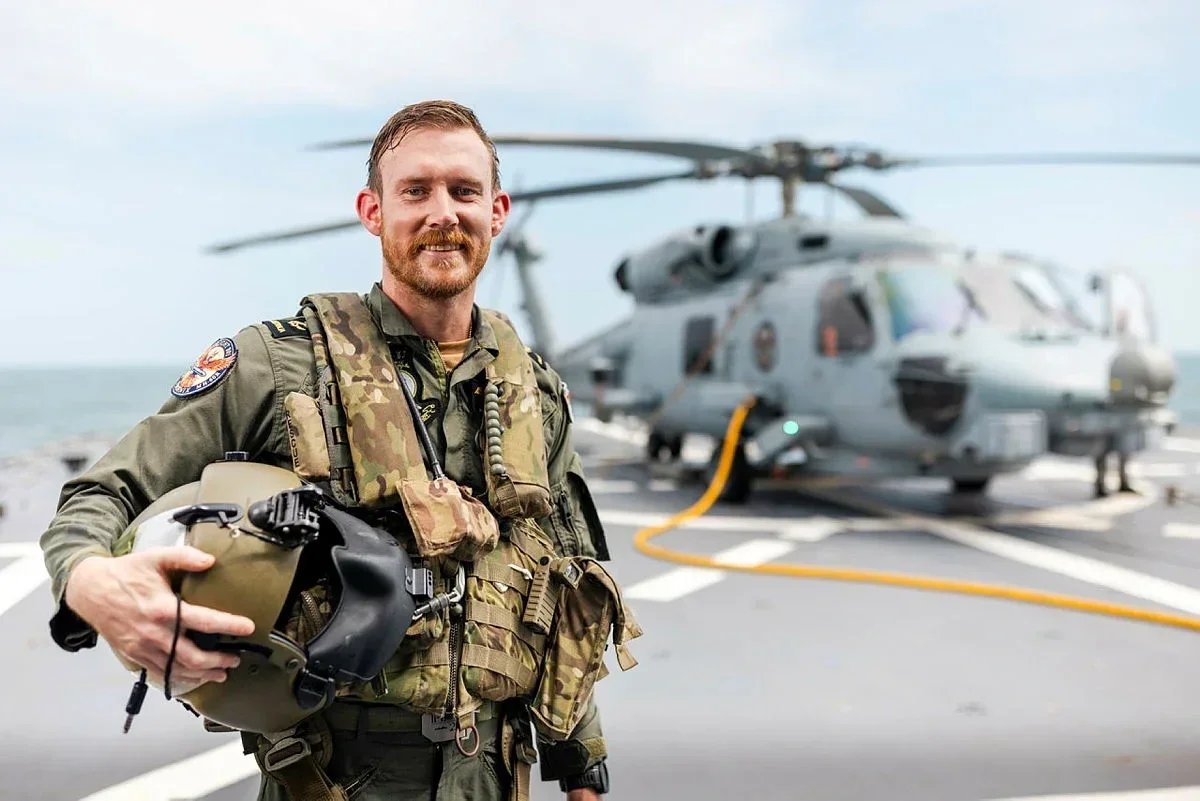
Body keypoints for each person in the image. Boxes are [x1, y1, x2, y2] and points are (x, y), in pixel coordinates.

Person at [40, 100, 620, 801]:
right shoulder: (277, 364)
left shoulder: (535, 391)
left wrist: (582, 767)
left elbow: (569, 581)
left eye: (464, 191)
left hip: (495, 775)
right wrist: (91, 584)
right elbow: (103, 492)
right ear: (373, 211)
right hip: (333, 778)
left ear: (496, 212)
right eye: (416, 191)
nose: (442, 213)